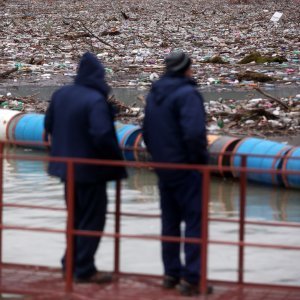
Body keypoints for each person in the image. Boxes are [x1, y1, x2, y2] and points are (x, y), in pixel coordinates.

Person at [44, 52, 127, 284]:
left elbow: (48, 124)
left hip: (65, 170)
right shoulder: (95, 100)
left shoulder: (61, 94)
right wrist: (115, 162)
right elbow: (102, 134)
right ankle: (83, 269)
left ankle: (69, 264)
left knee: (74, 218)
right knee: (92, 220)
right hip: (91, 171)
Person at [142, 51, 210, 296]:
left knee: (169, 222)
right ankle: (192, 279)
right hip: (186, 168)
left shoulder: (154, 94)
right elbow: (193, 133)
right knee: (194, 222)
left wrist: (158, 158)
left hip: (164, 168)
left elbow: (146, 131)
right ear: (186, 69)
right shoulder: (187, 94)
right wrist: (200, 160)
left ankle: (171, 273)